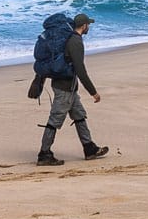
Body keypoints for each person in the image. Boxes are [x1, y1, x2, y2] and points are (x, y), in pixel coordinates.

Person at [28, 11, 106, 166]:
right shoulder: (75, 42)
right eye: (88, 24)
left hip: (69, 88)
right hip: (64, 89)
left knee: (79, 115)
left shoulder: (71, 39)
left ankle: (89, 148)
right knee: (55, 120)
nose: (89, 26)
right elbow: (80, 69)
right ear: (83, 26)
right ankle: (44, 154)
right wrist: (93, 92)